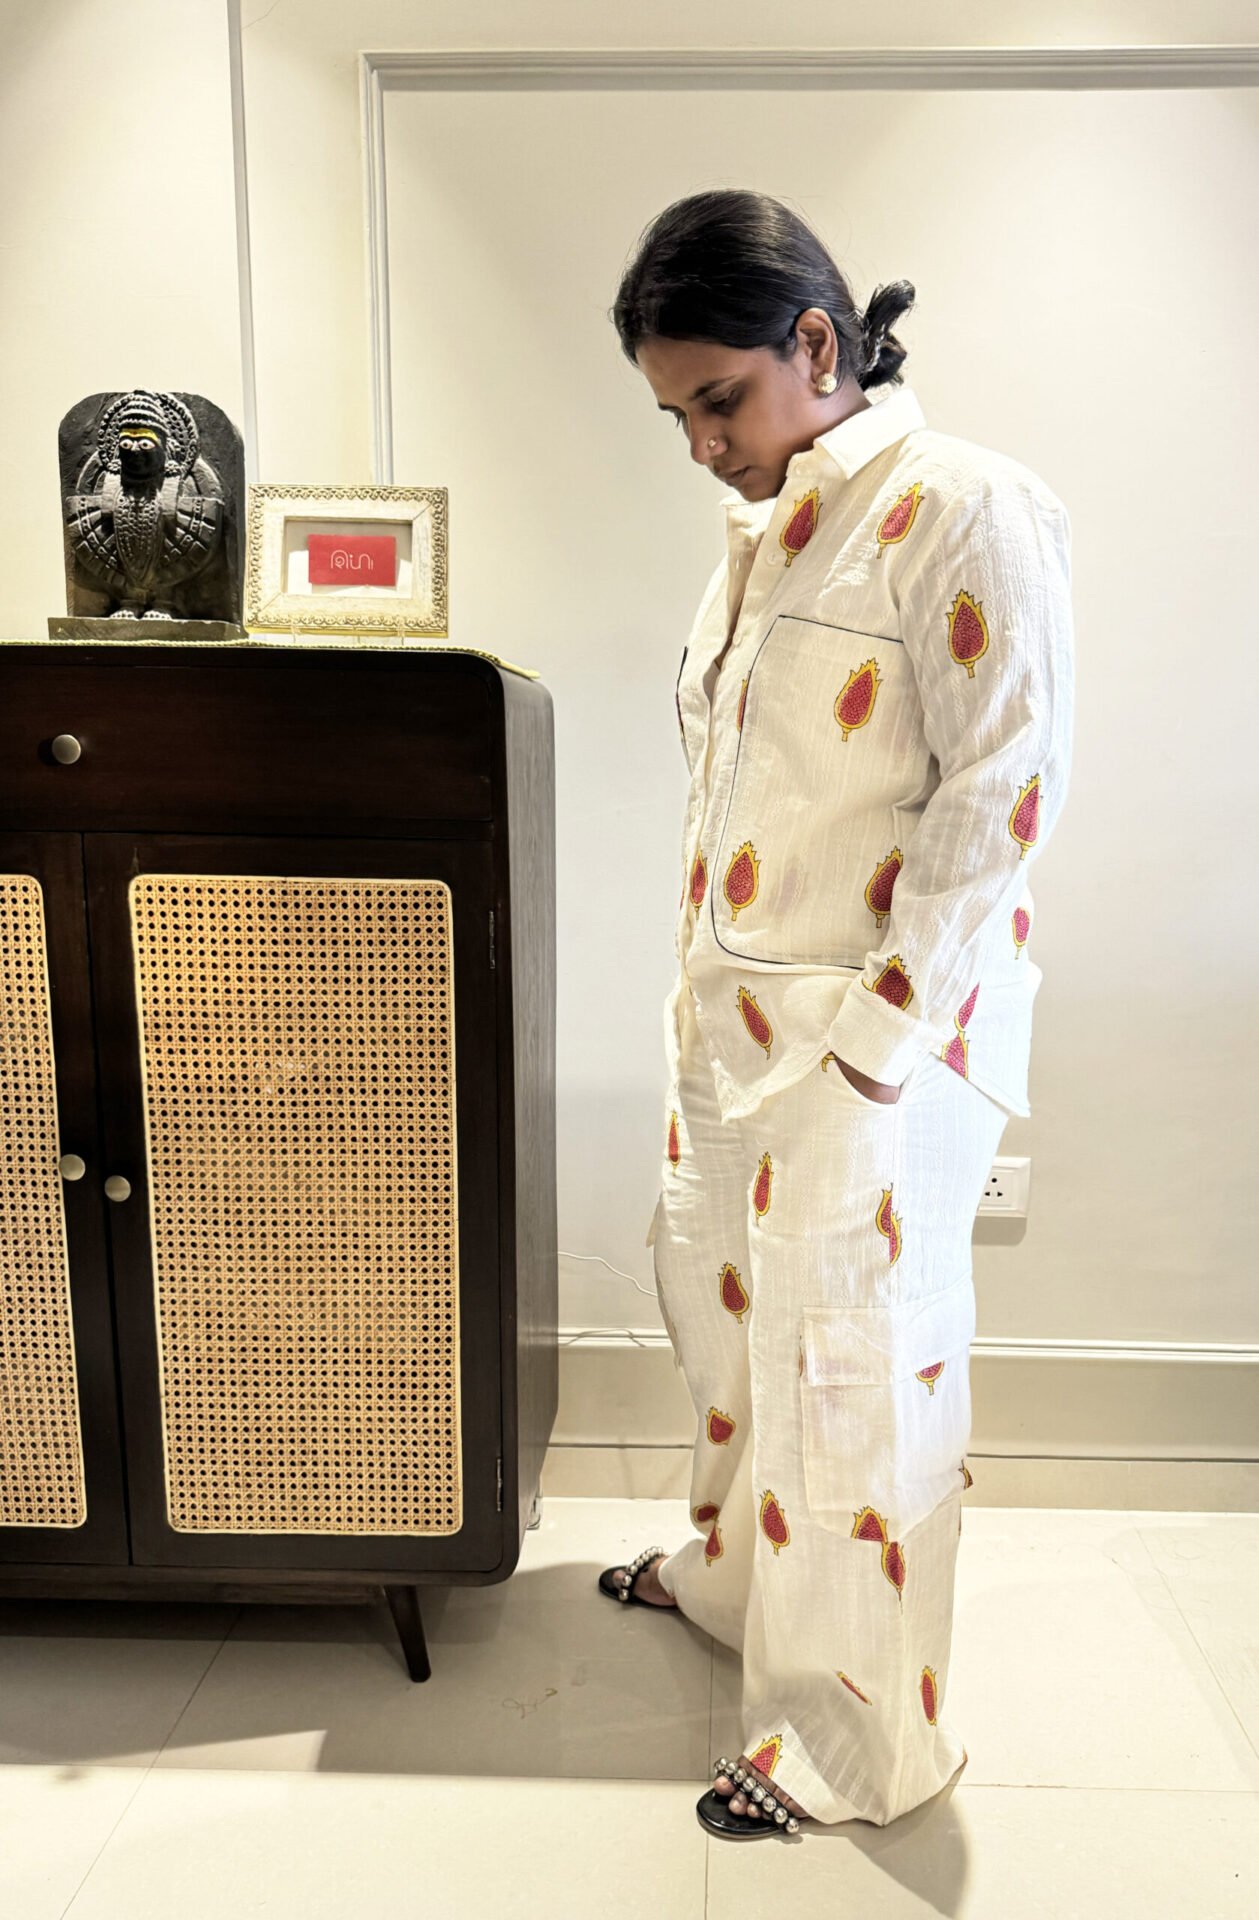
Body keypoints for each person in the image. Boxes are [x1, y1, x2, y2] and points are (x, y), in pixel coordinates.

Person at [597, 189, 1075, 1843]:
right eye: (676, 415)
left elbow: (1004, 793)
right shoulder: (770, 532)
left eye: (717, 400)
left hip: (870, 1053)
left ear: (817, 341)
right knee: (731, 1331)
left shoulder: (966, 506)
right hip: (732, 1035)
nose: (701, 447)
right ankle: (736, 1583)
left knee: (853, 1378)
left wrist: (880, 1044)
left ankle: (855, 1743)